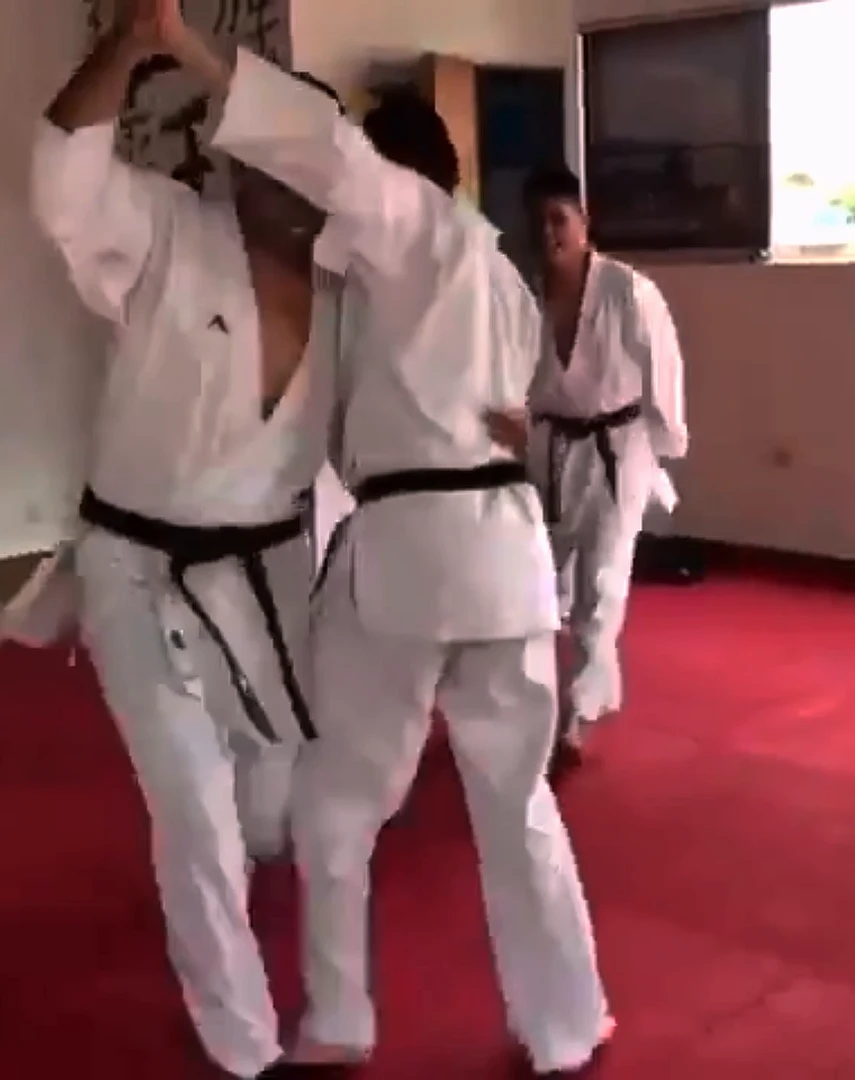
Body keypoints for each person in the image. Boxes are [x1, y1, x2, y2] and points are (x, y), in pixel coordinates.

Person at [144, 6, 614, 1076]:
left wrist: (183, 45)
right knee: (518, 803)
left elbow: (325, 154)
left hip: (415, 552)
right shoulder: (497, 273)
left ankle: (341, 1019)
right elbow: (508, 410)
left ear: (394, 169)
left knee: (336, 806)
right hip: (506, 558)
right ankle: (566, 1024)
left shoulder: (409, 222)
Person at [11, 3, 351, 1075]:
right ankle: (242, 1043)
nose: (287, 179)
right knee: (195, 810)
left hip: (274, 570)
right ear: (231, 158)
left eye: (307, 159)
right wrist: (131, 43)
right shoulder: (165, 229)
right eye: (265, 154)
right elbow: (60, 183)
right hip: (140, 568)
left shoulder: (350, 292)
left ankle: (233, 882)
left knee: (270, 786)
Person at [520, 165, 689, 775]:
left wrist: (662, 449)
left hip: (620, 447)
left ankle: (578, 713)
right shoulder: (524, 296)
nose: (548, 233)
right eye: (537, 222)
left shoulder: (628, 291)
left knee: (603, 583)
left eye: (558, 219)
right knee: (540, 585)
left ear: (583, 222)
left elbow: (663, 371)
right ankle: (540, 700)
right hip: (550, 448)